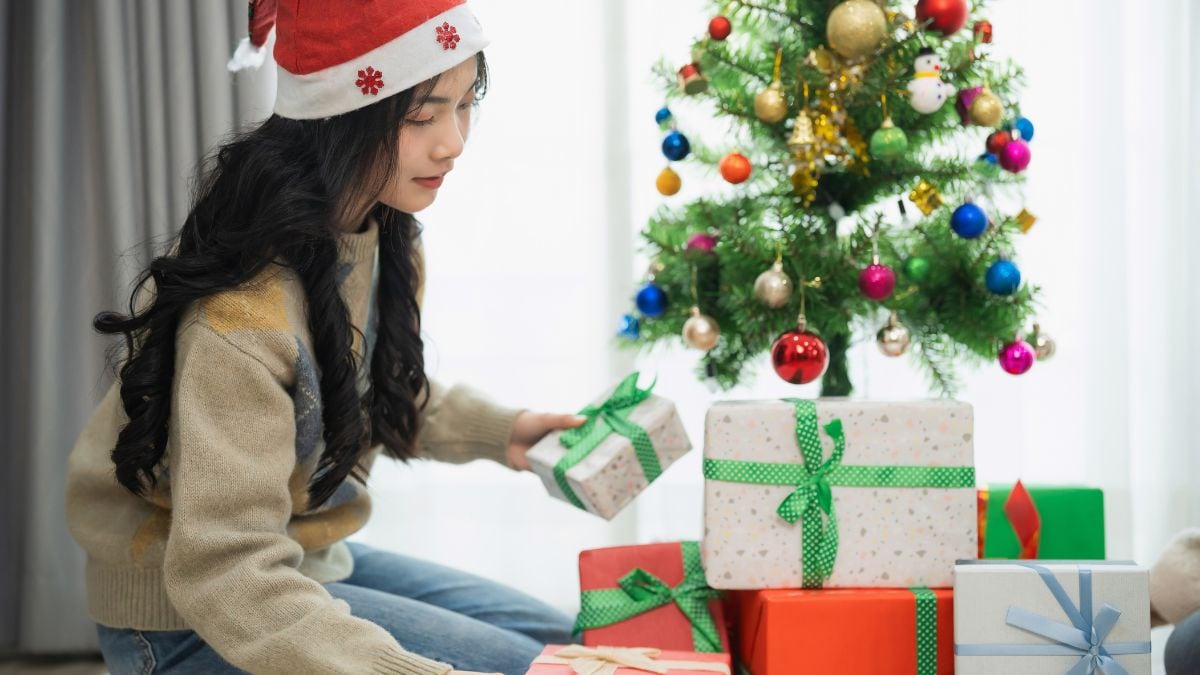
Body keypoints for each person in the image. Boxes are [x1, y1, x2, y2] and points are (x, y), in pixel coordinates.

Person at [64, 1, 581, 672]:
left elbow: (346, 386)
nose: (452, 141)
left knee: (574, 640)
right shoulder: (240, 321)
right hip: (187, 618)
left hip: (297, 558)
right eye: (423, 115)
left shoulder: (379, 233)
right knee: (535, 668)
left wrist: (503, 432)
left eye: (465, 103)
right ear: (339, 117)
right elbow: (226, 571)